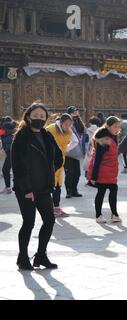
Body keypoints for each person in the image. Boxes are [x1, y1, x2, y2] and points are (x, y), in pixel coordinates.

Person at [11, 101, 63, 270]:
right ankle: (23, 257)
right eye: (36, 116)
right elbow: (17, 165)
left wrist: (49, 171)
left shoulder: (47, 135)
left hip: (43, 187)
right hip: (26, 189)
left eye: (42, 116)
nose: (39, 118)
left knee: (49, 220)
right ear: (28, 117)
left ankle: (41, 255)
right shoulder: (21, 137)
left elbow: (58, 157)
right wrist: (26, 189)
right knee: (29, 222)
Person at [87, 117, 122, 224]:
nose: (117, 129)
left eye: (118, 126)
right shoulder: (104, 139)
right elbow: (97, 158)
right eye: (114, 126)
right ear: (108, 126)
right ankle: (99, 215)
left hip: (111, 171)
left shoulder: (112, 136)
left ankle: (114, 214)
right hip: (103, 171)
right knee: (101, 192)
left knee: (113, 191)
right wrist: (94, 176)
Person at [46, 114, 75, 217]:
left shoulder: (69, 131)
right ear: (61, 122)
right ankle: (48, 209)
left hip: (60, 162)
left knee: (58, 185)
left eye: (70, 124)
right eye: (66, 124)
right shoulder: (50, 129)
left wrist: (65, 149)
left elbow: (74, 141)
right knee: (49, 185)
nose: (68, 126)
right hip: (49, 162)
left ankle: (56, 208)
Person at [65, 106, 87, 198]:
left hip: (77, 151)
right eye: (74, 111)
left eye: (76, 111)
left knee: (77, 173)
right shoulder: (67, 122)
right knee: (69, 173)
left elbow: (84, 132)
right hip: (69, 151)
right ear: (69, 113)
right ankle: (68, 191)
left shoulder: (79, 121)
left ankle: (74, 190)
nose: (76, 113)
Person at [0, 116, 17, 194]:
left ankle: (8, 188)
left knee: (5, 169)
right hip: (15, 150)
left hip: (9, 151)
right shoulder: (14, 129)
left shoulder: (2, 129)